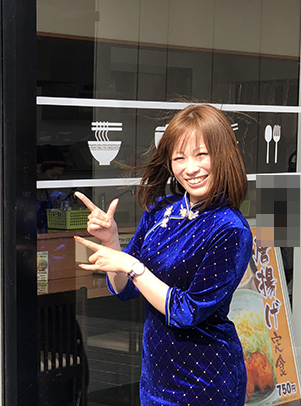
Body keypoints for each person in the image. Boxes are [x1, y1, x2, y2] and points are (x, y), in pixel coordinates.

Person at [74, 104, 251, 405]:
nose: (190, 168)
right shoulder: (160, 210)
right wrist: (112, 241)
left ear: (223, 155)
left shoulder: (231, 228)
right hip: (156, 378)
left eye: (201, 155)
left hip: (206, 382)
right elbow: (124, 288)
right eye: (179, 158)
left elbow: (187, 311)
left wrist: (132, 266)